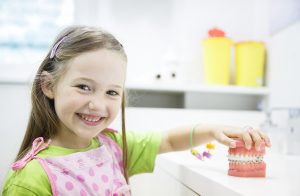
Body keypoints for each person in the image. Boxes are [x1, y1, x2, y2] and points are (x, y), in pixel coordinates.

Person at [2, 26, 271, 196]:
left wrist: (213, 129)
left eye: (111, 92)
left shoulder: (113, 147)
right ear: (49, 86)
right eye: (84, 87)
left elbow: (168, 140)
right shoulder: (31, 178)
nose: (97, 104)